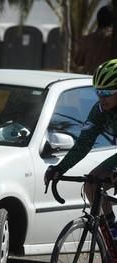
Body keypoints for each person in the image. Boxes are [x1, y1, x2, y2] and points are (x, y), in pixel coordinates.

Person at [44, 59, 117, 232]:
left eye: (107, 93)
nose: (101, 97)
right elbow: (83, 145)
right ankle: (112, 232)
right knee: (91, 185)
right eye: (98, 92)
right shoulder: (99, 111)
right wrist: (60, 169)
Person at [74, 6, 113, 75]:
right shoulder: (112, 40)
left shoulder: (87, 39)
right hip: (105, 82)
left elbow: (77, 61)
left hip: (87, 80)